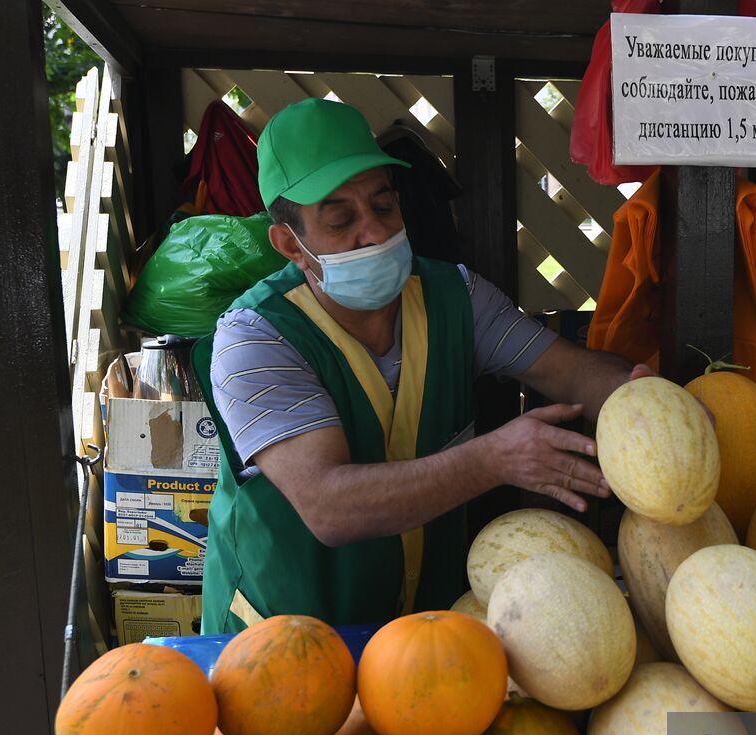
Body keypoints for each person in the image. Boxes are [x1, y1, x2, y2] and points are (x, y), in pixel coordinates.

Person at [193, 98, 647, 634]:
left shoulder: (454, 298)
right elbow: (327, 506)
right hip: (284, 643)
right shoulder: (255, 338)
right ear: (290, 243)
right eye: (340, 220)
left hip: (421, 636)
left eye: (384, 207)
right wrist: (494, 460)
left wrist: (638, 396)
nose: (374, 232)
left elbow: (571, 373)